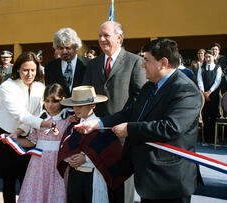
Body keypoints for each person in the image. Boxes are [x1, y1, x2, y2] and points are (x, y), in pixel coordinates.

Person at [76, 38, 203, 203]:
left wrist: (130, 129)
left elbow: (171, 127)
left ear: (163, 63)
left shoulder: (185, 90)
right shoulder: (151, 85)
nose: (142, 65)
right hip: (148, 176)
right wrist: (98, 123)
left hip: (170, 180)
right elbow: (130, 113)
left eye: (147, 60)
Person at [82, 21, 147, 203]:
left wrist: (121, 121)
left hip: (122, 136)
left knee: (122, 190)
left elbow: (139, 99)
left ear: (119, 37)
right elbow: (86, 95)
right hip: (96, 134)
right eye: (100, 35)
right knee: (99, 188)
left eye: (106, 35)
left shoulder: (135, 62)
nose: (102, 39)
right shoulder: (93, 64)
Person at [0, 52, 54, 203]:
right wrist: (41, 124)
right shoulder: (6, 86)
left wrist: (21, 130)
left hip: (28, 135)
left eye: (33, 70)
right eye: (25, 70)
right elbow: (19, 113)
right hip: (7, 135)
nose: (29, 74)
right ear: (17, 69)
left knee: (27, 177)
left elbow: (38, 113)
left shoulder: (40, 87)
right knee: (8, 181)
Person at [57, 86, 124, 203]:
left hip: (94, 177)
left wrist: (86, 159)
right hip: (75, 177)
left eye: (80, 106)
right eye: (74, 105)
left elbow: (111, 154)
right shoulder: (72, 127)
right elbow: (65, 148)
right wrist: (70, 158)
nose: (76, 109)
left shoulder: (103, 127)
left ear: (93, 105)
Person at [16, 83, 72, 203]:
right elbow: (31, 142)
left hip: (58, 162)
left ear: (63, 99)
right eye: (47, 101)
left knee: (55, 192)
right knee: (36, 193)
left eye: (55, 101)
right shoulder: (39, 119)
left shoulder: (68, 119)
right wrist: (13, 140)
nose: (50, 105)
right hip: (38, 164)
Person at [45, 28, 90, 97]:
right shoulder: (50, 67)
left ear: (76, 47)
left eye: (68, 48)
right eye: (61, 48)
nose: (64, 51)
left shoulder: (89, 64)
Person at [197, 50, 222, 143]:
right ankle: (205, 137)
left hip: (213, 94)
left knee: (213, 115)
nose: (207, 59)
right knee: (205, 115)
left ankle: (213, 137)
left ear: (213, 57)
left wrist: (209, 92)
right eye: (206, 57)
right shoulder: (201, 67)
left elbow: (217, 81)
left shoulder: (218, 68)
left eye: (209, 57)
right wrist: (203, 92)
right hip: (203, 95)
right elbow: (199, 80)